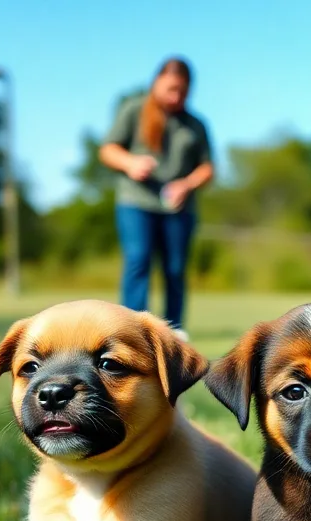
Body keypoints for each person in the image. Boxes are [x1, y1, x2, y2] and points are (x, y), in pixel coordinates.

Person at [99, 57, 213, 335]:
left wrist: (187, 184)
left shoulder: (195, 125)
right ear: (156, 82)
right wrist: (130, 162)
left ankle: (174, 333)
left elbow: (207, 168)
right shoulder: (134, 110)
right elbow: (108, 150)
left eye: (182, 91)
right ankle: (131, 330)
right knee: (138, 260)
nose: (176, 97)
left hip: (178, 208)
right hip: (136, 201)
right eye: (171, 89)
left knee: (175, 269)